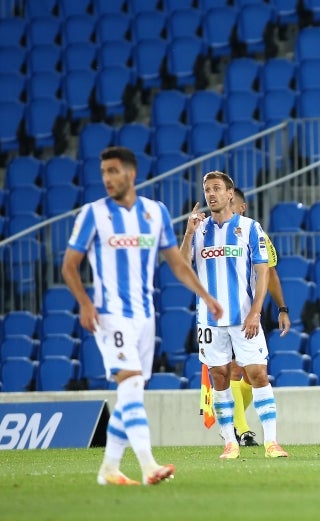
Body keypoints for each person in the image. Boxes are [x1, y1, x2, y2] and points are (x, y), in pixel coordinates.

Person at [61, 146, 224, 486]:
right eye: (103, 172)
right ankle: (149, 465)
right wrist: (85, 303)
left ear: (131, 174)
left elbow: (177, 263)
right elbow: (69, 266)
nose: (107, 178)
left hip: (145, 316)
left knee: (131, 393)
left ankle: (109, 469)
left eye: (113, 171)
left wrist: (206, 295)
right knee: (132, 383)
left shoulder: (155, 212)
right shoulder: (93, 214)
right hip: (110, 315)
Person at [180, 171, 288, 459]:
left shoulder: (250, 228)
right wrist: (188, 233)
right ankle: (230, 442)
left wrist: (256, 312)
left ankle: (272, 442)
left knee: (258, 374)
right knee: (219, 377)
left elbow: (264, 272)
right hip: (209, 320)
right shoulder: (199, 230)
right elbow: (182, 268)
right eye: (207, 189)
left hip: (243, 317)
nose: (211, 194)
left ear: (230, 194)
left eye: (216, 188)